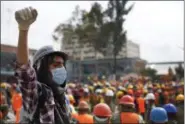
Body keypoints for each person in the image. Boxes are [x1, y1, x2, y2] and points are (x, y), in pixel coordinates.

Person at [14, 7, 70, 124]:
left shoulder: (62, 98)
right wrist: (23, 30)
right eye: (56, 65)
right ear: (41, 68)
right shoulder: (38, 95)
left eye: (62, 65)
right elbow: (24, 71)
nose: (61, 69)